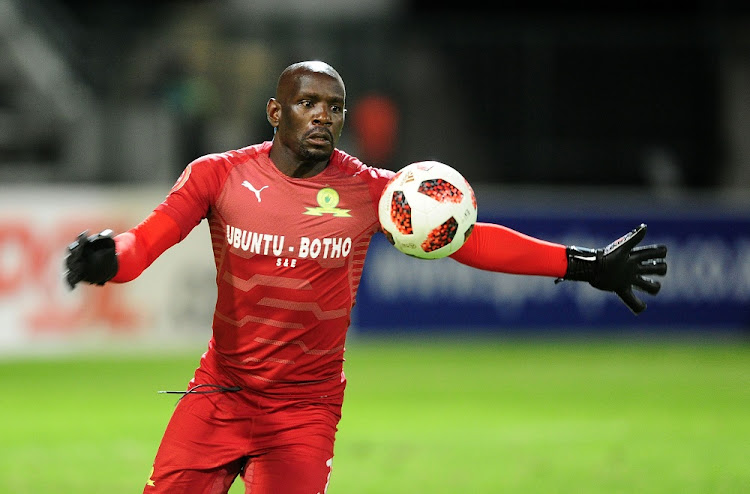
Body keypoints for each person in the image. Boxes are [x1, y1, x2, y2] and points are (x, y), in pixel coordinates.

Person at [64, 60, 667, 494]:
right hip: (220, 393)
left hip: (304, 410)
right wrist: (107, 257)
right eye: (308, 103)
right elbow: (144, 244)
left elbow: (469, 241)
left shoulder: (373, 191)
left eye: (335, 107)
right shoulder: (218, 175)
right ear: (276, 111)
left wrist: (583, 264)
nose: (324, 117)